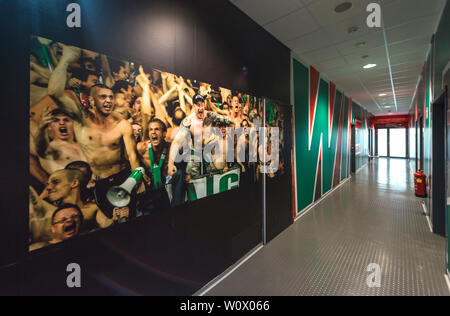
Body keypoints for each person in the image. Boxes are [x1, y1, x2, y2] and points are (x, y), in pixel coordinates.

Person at [53, 80, 144, 220]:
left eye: (111, 97)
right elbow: (54, 92)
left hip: (124, 177)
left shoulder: (122, 124)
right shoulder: (81, 120)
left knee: (131, 218)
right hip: (102, 183)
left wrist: (138, 180)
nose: (108, 101)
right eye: (103, 97)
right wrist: (65, 60)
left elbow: (133, 157)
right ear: (92, 101)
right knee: (113, 222)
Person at [44, 169, 117, 230]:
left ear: (74, 183)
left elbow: (108, 228)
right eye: (47, 184)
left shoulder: (94, 208)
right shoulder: (49, 213)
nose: (48, 188)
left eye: (55, 182)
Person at [30, 108, 87, 183]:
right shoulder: (50, 148)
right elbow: (41, 147)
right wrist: (42, 129)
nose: (62, 123)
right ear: (49, 126)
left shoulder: (83, 146)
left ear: (73, 124)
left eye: (66, 120)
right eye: (56, 120)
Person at [136, 119, 173, 213]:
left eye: (157, 129)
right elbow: (130, 162)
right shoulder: (141, 148)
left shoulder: (170, 148)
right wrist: (141, 178)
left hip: (163, 189)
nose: (153, 132)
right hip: (148, 191)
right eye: (151, 129)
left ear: (164, 133)